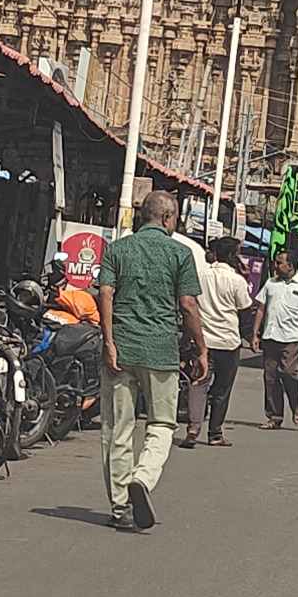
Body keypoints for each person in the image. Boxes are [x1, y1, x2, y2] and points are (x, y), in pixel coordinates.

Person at [96, 193, 206, 532]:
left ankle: (120, 509)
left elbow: (104, 293)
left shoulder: (117, 249)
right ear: (169, 218)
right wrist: (201, 349)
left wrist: (109, 342)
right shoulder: (180, 253)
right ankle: (142, 478)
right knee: (161, 424)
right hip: (160, 351)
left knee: (118, 429)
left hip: (121, 350)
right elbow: (187, 305)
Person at [184, 230, 254, 448]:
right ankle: (215, 433)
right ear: (232, 256)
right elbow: (245, 308)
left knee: (198, 382)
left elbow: (188, 306)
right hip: (228, 342)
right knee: (222, 390)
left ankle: (193, 427)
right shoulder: (237, 281)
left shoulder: (200, 275)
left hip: (202, 341)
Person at [254, 241, 298, 426]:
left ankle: (295, 406)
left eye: (279, 262)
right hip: (270, 336)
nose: (276, 265)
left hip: (292, 338)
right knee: (271, 377)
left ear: (290, 266)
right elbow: (261, 309)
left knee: (289, 372)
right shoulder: (270, 284)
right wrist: (254, 334)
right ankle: (274, 416)